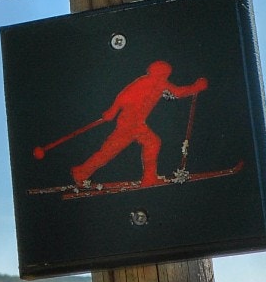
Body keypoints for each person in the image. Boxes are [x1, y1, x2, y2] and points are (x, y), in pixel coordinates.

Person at [70, 61, 207, 188]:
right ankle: (81, 172)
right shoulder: (144, 82)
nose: (165, 77)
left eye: (166, 74)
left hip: (136, 123)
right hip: (128, 123)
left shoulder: (161, 84)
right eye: (163, 74)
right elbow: (123, 96)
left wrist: (196, 88)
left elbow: (178, 92)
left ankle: (148, 178)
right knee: (110, 151)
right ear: (156, 72)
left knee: (150, 143)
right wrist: (112, 111)